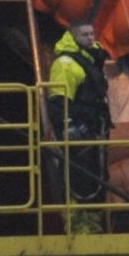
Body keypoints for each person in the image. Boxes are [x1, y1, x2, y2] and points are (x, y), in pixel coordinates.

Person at [45, 23, 112, 233]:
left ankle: (92, 225)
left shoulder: (90, 60)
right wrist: (70, 127)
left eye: (92, 33)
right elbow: (58, 101)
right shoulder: (66, 64)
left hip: (93, 130)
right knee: (78, 180)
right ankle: (78, 227)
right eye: (85, 34)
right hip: (79, 133)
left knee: (95, 180)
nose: (91, 37)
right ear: (74, 37)